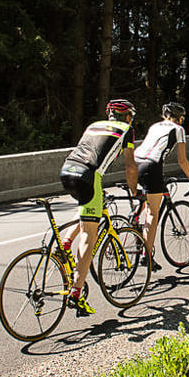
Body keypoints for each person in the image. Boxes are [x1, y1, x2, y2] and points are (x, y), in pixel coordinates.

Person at [58, 99, 139, 316]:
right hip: (89, 176)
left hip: (68, 170)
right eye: (131, 116)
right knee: (89, 236)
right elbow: (130, 166)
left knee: (87, 207)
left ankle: (64, 244)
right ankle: (76, 293)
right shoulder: (127, 130)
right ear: (127, 117)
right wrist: (134, 190)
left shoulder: (93, 125)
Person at [134, 102, 189, 268]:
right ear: (179, 118)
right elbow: (182, 160)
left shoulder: (155, 126)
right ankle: (146, 257)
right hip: (151, 165)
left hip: (135, 162)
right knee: (153, 214)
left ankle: (132, 219)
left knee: (146, 198)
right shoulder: (179, 130)